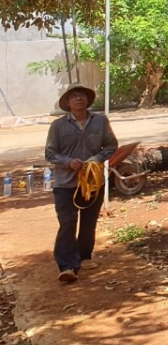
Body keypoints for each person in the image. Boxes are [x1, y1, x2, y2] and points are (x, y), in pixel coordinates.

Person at [44, 84, 117, 283]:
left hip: (93, 183)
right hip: (65, 184)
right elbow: (50, 153)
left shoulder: (100, 121)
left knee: (88, 222)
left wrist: (96, 159)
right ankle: (67, 266)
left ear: (87, 100)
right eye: (74, 96)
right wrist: (68, 162)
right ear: (67, 103)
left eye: (82, 95)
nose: (79, 99)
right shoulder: (57, 126)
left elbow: (111, 145)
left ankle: (85, 256)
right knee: (67, 223)